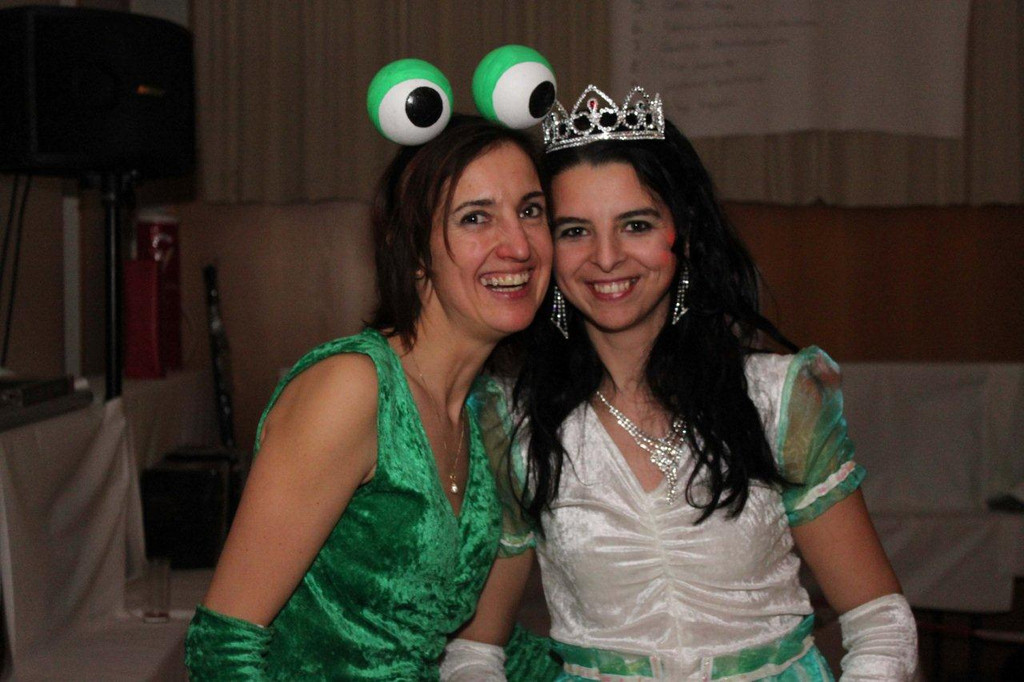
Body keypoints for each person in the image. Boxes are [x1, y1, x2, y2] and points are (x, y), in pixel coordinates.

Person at [442, 86, 918, 681]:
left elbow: (881, 623)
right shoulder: (516, 424)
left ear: (684, 235)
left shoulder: (776, 398)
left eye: (636, 224)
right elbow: (473, 654)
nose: (606, 258)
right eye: (575, 231)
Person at [184, 113, 552, 679]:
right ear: (414, 250)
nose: (519, 245)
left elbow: (466, 643)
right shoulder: (354, 389)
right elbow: (222, 649)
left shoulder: (490, 415)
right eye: (476, 218)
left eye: (530, 211)